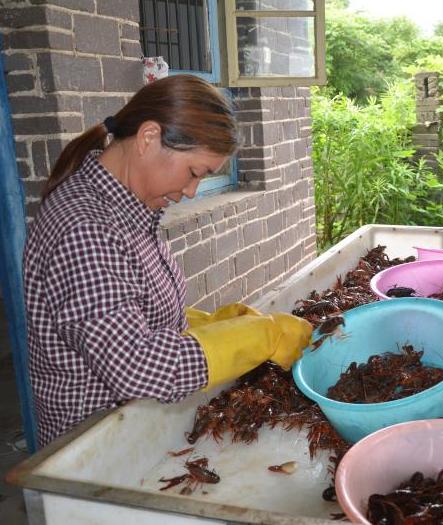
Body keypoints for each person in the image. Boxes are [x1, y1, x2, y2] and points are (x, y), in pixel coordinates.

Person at [24, 76, 312, 447]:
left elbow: (125, 308)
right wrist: (262, 336)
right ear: (148, 139)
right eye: (194, 173)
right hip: (96, 448)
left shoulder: (128, 209)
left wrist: (209, 324)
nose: (191, 192)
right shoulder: (86, 228)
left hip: (136, 429)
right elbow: (136, 367)